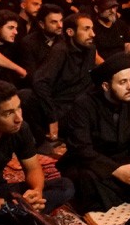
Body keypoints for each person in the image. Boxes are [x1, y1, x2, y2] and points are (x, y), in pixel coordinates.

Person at [58, 53, 130, 213]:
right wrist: (115, 170)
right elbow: (81, 149)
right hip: (97, 162)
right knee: (85, 181)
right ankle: (129, 192)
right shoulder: (83, 105)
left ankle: (124, 192)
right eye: (123, 82)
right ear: (106, 86)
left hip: (127, 158)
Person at [0, 81, 75, 225]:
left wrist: (36, 191)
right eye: (8, 113)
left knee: (65, 186)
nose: (19, 118)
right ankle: (16, 219)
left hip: (0, 189)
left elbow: (33, 168)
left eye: (19, 108)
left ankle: (5, 224)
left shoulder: (20, 128)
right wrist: (4, 205)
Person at [29, 13, 97, 149]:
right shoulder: (60, 51)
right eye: (86, 29)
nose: (92, 34)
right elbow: (40, 82)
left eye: (92, 29)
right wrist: (52, 117)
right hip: (60, 107)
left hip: (81, 105)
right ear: (70, 32)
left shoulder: (91, 49)